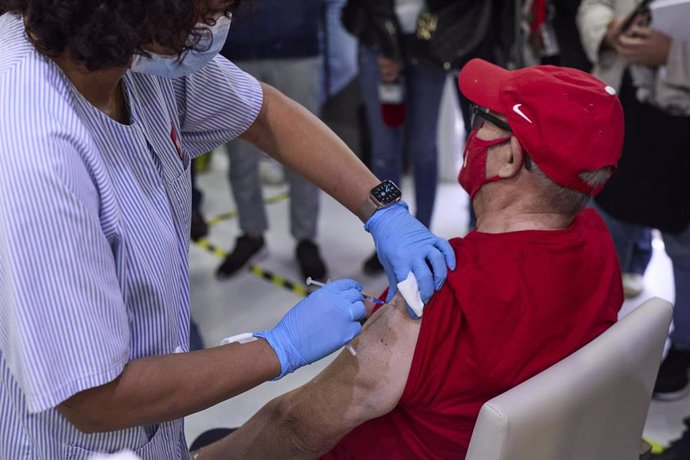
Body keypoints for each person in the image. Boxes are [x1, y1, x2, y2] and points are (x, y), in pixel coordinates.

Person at [0, 1, 455, 457]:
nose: (216, 28)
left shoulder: (135, 57)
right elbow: (92, 398)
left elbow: (260, 112)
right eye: (205, 13)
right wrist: (279, 348)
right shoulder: (36, 145)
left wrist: (382, 209)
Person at [196, 59, 625, 459]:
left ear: (510, 157)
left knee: (210, 439)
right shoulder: (597, 243)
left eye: (484, 120)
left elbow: (295, 425)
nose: (475, 132)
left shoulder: (438, 289)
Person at [343, 0, 515, 273]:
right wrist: (387, 45)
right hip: (377, 42)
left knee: (424, 148)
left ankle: (421, 237)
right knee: (385, 154)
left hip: (429, 41)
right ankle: (388, 240)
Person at [577, 0, 690, 400]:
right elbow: (592, 5)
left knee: (684, 248)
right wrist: (608, 30)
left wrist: (675, 54)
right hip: (619, 104)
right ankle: (592, 340)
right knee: (602, 229)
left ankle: (684, 349)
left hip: (681, 115)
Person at [215, 0, 328, 281]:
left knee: (306, 153)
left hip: (298, 46)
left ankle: (306, 238)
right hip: (235, 49)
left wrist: (338, 62)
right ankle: (251, 232)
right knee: (240, 156)